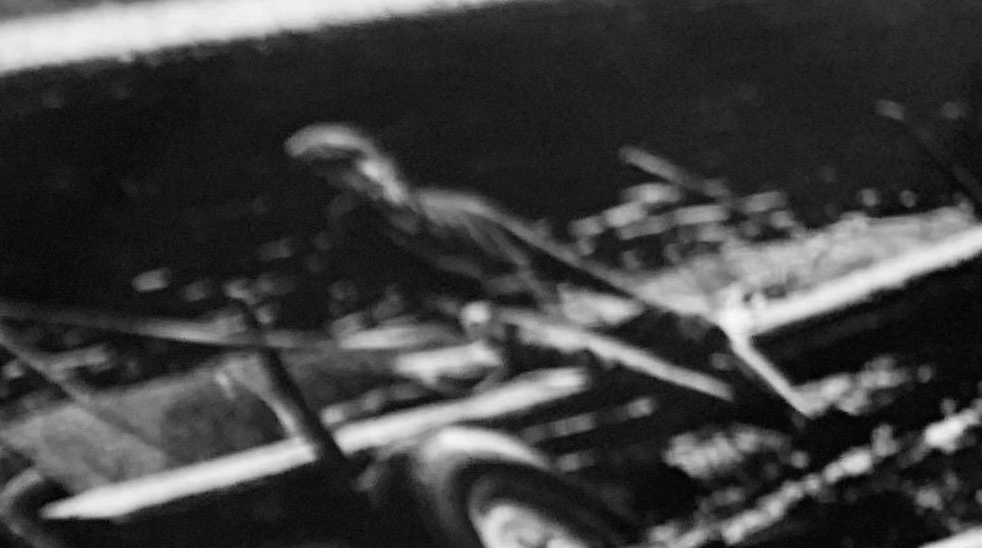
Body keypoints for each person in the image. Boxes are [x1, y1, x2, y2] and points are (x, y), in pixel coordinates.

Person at [282, 122, 812, 430]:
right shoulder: (361, 234)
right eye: (339, 180)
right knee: (604, 358)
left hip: (548, 306)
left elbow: (558, 262)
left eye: (357, 168)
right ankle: (741, 412)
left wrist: (640, 302)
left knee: (693, 329)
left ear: (380, 162)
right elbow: (408, 297)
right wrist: (464, 313)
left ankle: (793, 407)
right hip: (496, 326)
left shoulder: (461, 209)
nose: (357, 184)